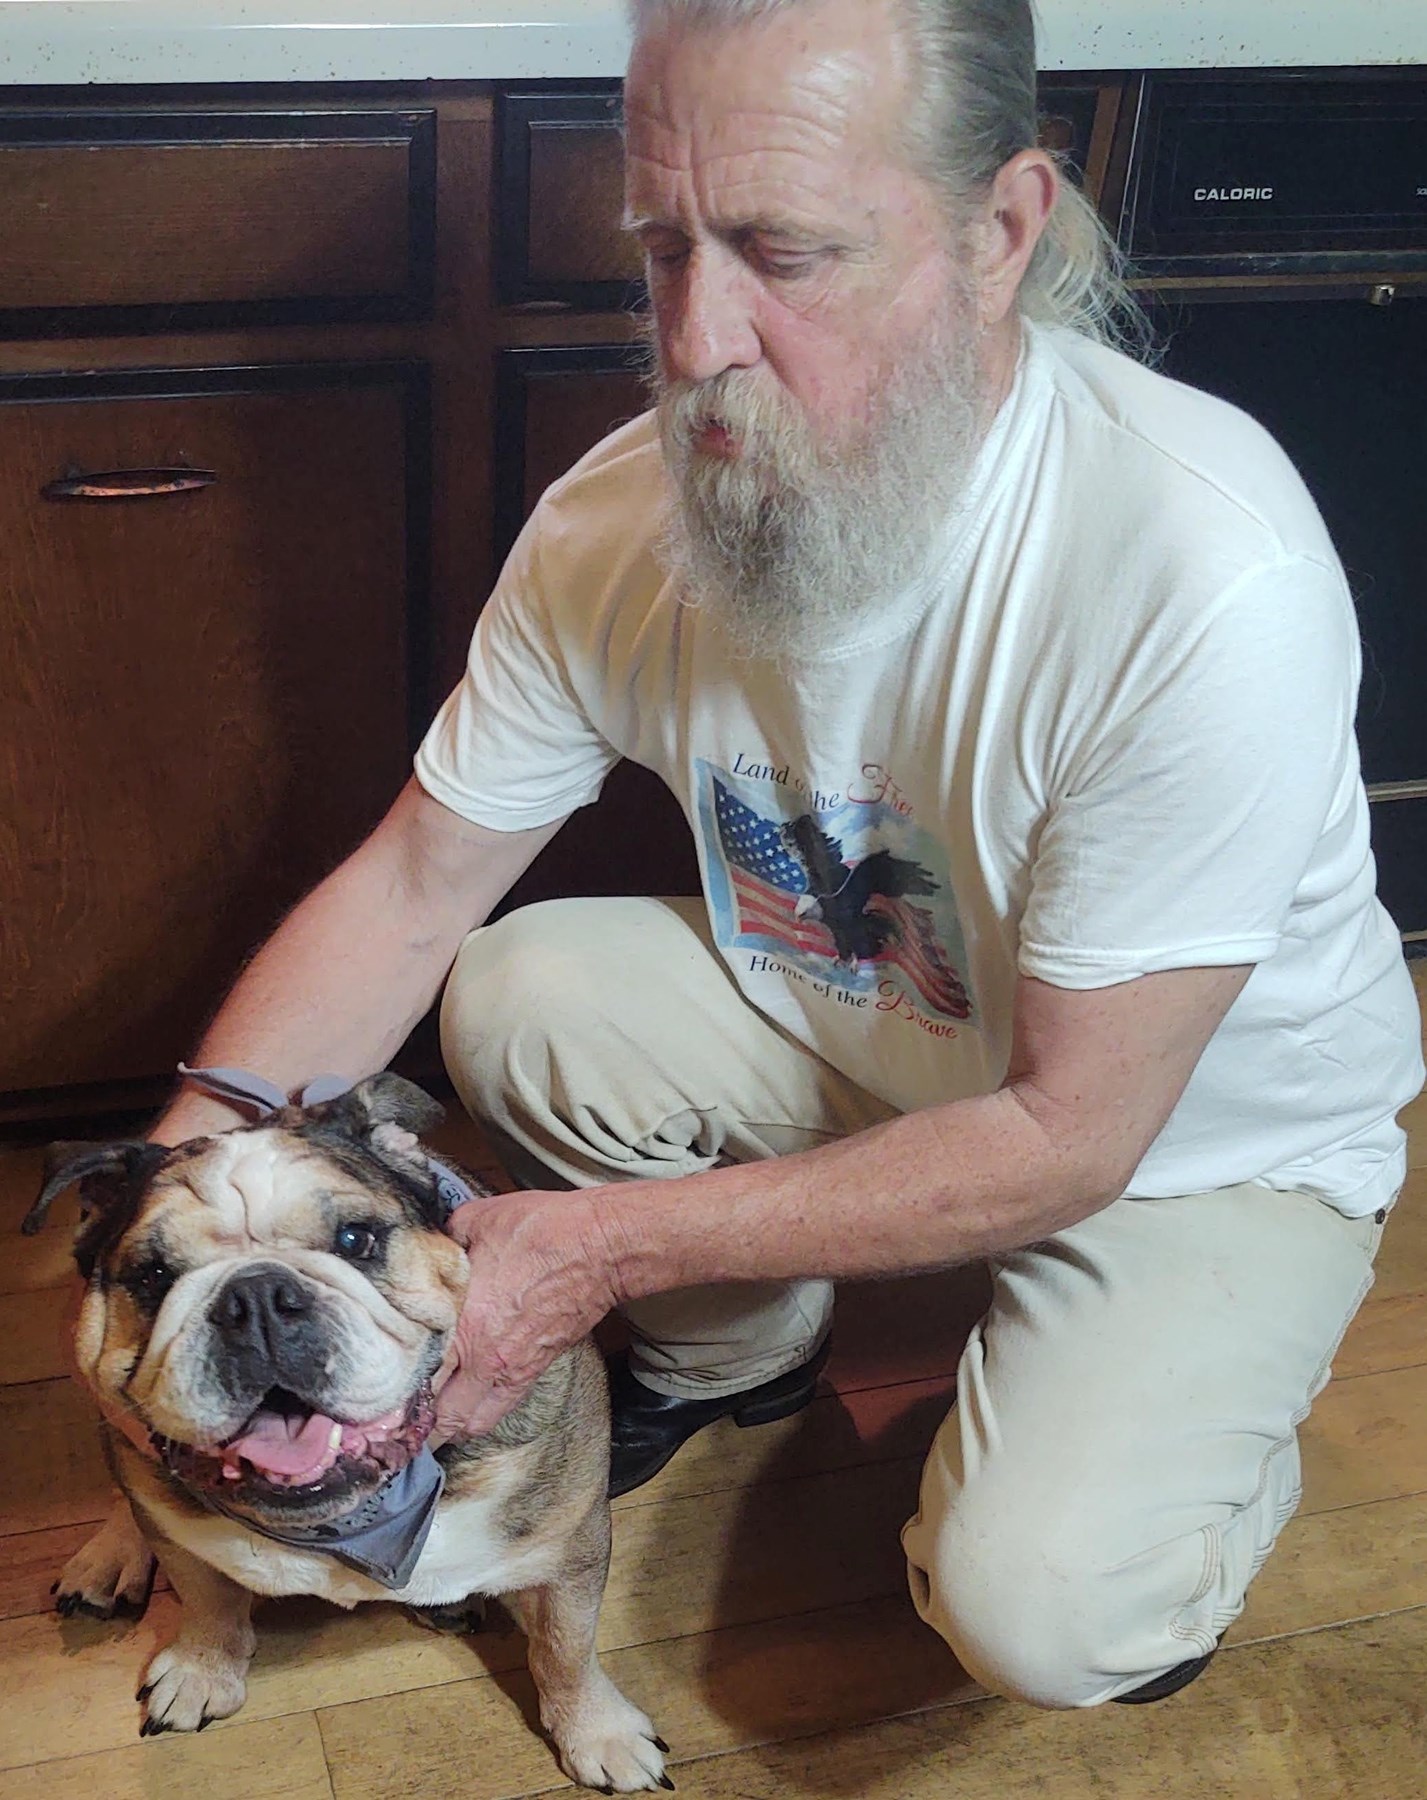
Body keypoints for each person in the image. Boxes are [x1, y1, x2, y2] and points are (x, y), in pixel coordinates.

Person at [153, 0, 1423, 1713]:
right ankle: (744, 1350)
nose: (695, 339)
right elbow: (411, 888)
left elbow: (1071, 1130)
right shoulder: (622, 519)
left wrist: (607, 1249)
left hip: (1188, 1143)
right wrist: (179, 1217)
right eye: (663, 246)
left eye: (786, 253)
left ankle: (1208, 1452)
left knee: (1046, 1617)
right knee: (519, 992)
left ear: (1002, 231)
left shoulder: (1205, 568)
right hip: (881, 1034)